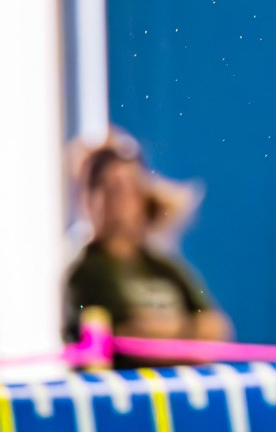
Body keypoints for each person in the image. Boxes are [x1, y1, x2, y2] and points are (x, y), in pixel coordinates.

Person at [64, 135, 231, 355]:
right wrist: (188, 334)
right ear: (93, 199)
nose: (123, 199)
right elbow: (125, 339)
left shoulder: (165, 267)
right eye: (112, 188)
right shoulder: (86, 273)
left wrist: (171, 333)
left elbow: (218, 327)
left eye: (131, 187)